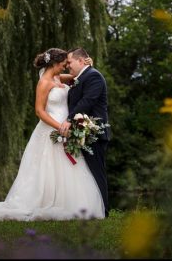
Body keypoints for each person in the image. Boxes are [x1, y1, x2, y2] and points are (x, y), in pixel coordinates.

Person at [0, 48, 105, 221]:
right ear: (55, 64)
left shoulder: (59, 77)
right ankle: (42, 201)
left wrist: (87, 63)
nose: (65, 67)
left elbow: (77, 77)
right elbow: (39, 111)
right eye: (63, 64)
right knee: (47, 168)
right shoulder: (44, 83)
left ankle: (65, 202)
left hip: (65, 128)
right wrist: (60, 127)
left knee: (68, 167)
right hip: (52, 129)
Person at [60, 47, 110, 218]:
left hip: (94, 133)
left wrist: (69, 119)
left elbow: (87, 101)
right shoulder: (80, 78)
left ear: (81, 61)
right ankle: (93, 208)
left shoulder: (93, 76)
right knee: (87, 173)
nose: (67, 66)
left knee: (96, 172)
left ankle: (104, 210)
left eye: (70, 62)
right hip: (83, 132)